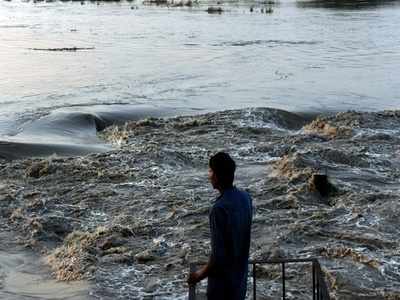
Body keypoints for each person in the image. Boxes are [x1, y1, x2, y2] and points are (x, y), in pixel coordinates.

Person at [188, 152, 253, 300]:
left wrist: (198, 275)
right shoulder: (245, 198)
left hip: (222, 287)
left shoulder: (219, 209)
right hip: (240, 281)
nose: (209, 175)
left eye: (210, 171)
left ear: (216, 176)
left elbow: (218, 257)